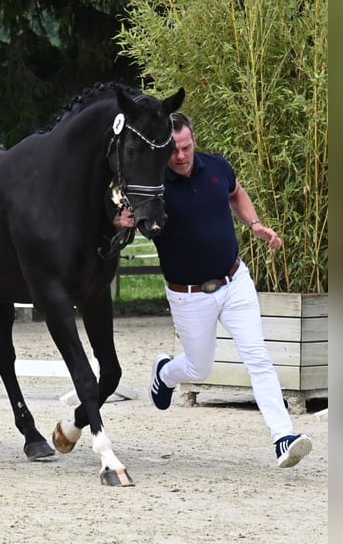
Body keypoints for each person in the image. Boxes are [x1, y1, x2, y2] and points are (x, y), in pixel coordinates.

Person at [113, 111, 312, 468]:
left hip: (235, 281)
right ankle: (165, 374)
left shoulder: (217, 166)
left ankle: (283, 437)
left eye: (185, 147)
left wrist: (255, 225)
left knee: (258, 357)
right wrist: (120, 220)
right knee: (199, 368)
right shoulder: (154, 185)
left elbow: (236, 193)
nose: (180, 155)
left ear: (193, 141)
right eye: (173, 149)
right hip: (188, 294)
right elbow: (124, 218)